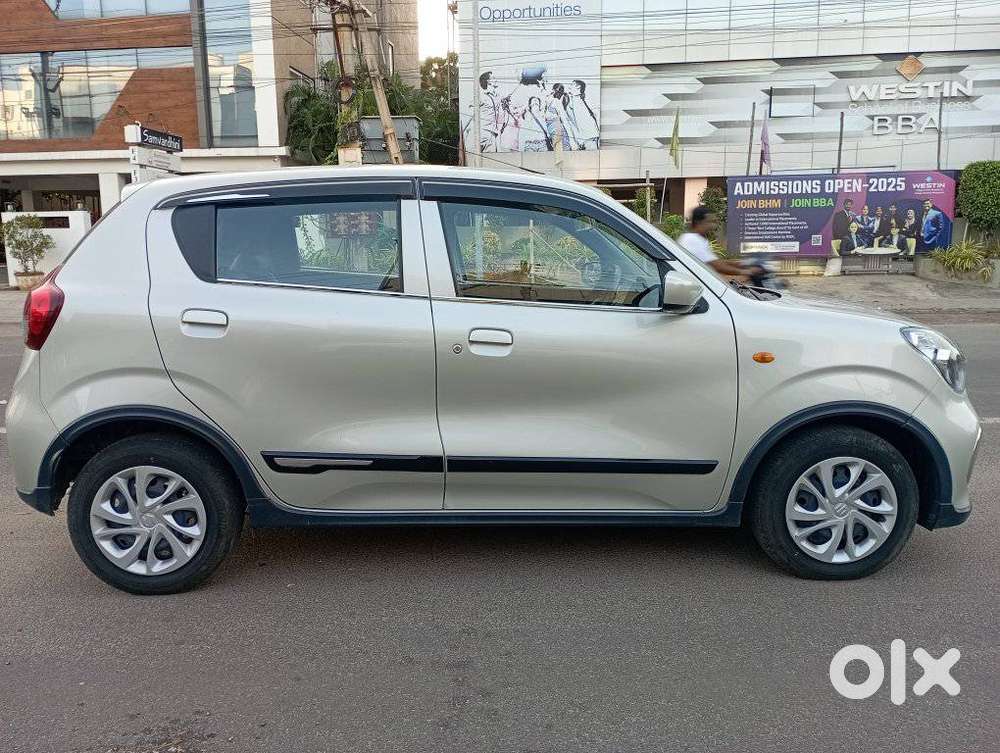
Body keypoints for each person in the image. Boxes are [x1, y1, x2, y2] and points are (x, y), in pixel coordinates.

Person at [678, 206, 758, 279]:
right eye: (709, 222)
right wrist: (746, 272)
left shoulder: (698, 239)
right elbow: (718, 267)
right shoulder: (692, 240)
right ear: (698, 222)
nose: (713, 226)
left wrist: (743, 263)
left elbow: (714, 261)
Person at [566, 79, 600, 150]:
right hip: (583, 137)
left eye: (572, 85)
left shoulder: (585, 99)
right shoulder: (572, 100)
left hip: (590, 135)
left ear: (578, 87)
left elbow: (595, 115)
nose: (569, 87)